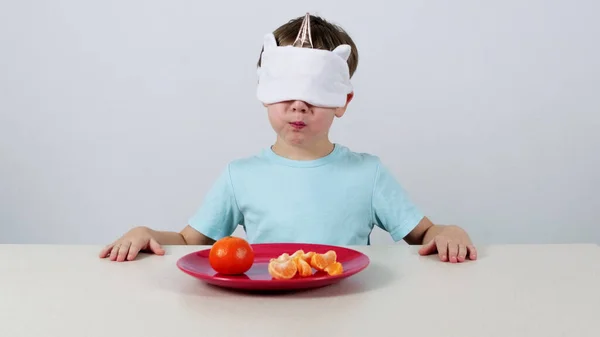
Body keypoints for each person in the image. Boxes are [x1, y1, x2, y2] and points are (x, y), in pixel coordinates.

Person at [99, 13, 477, 264]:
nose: (299, 106)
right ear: (263, 91)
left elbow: (423, 234)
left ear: (343, 101)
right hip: (265, 309)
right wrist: (147, 233)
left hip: (350, 307)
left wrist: (450, 231)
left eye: (316, 92)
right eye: (286, 92)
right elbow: (189, 240)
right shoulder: (240, 175)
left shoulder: (369, 174)